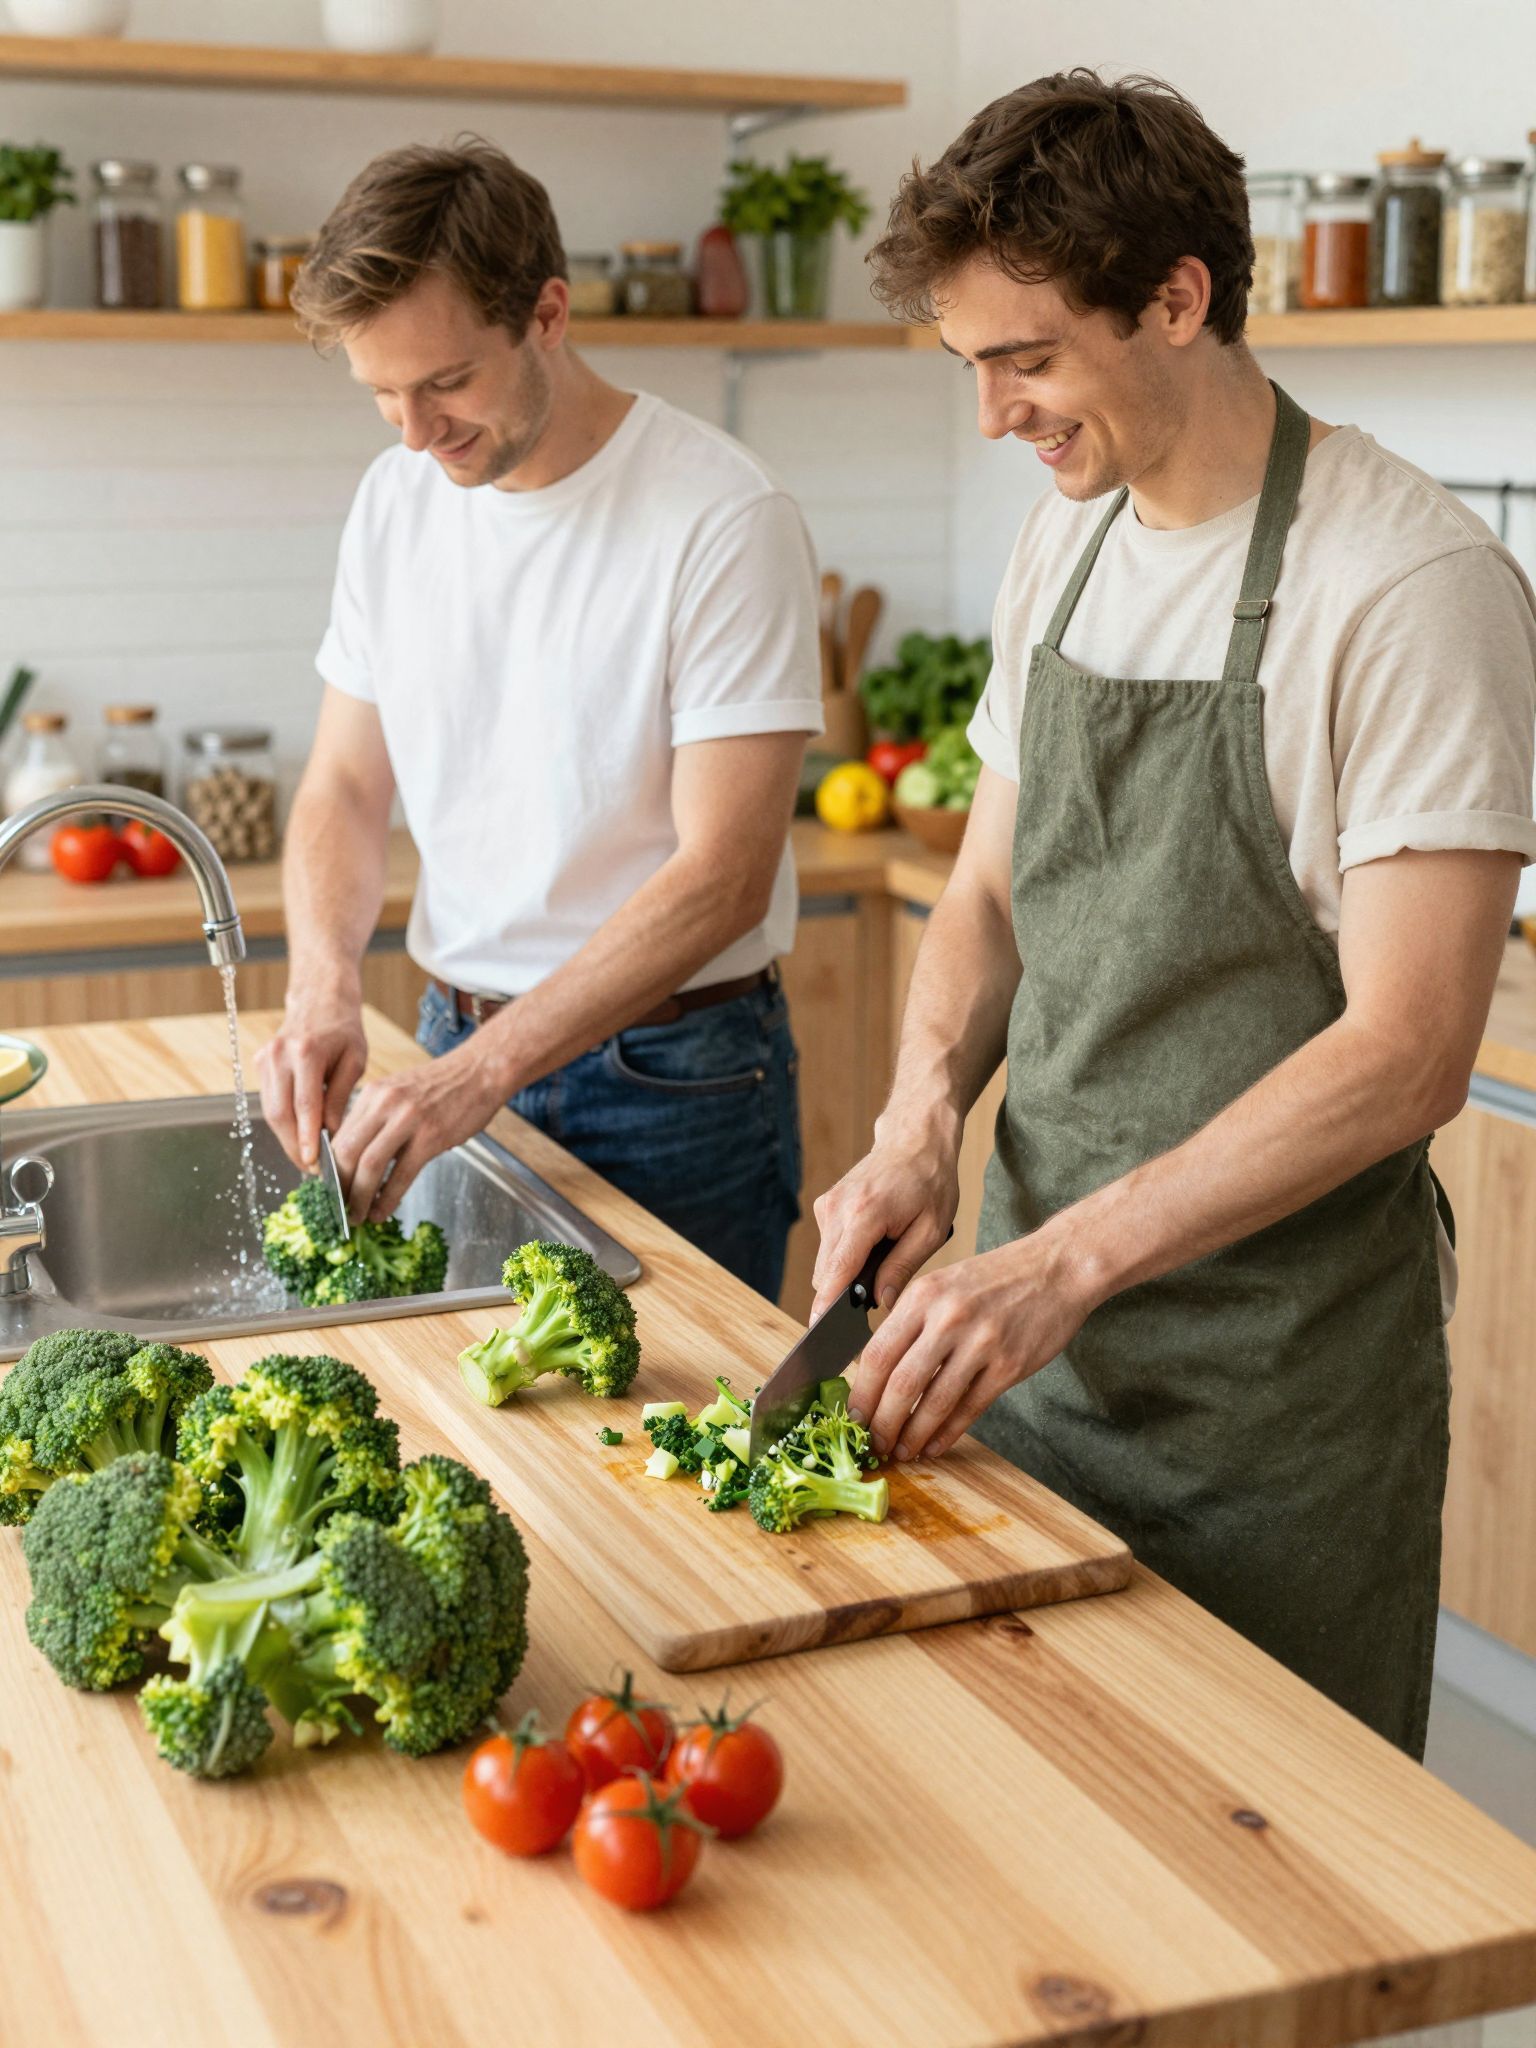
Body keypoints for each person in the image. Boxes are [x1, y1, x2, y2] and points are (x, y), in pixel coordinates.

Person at [811, 70, 1536, 1756]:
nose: (993, 413)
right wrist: (923, 1115)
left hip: (1270, 1407)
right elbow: (988, 887)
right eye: (969, 363)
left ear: (1181, 297)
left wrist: (1062, 1261)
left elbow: (1411, 1049)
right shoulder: (1060, 547)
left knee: (1276, 1904)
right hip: (1026, 1367)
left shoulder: (1406, 586)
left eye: (1027, 357)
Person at [256, 140, 820, 1300]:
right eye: (382, 394)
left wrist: (481, 1073)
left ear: (548, 314)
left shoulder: (721, 513)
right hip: (444, 1039)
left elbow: (725, 872)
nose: (414, 432)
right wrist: (323, 984)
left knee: (666, 1461)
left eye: (446, 383)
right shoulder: (396, 500)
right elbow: (347, 788)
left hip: (674, 1079)